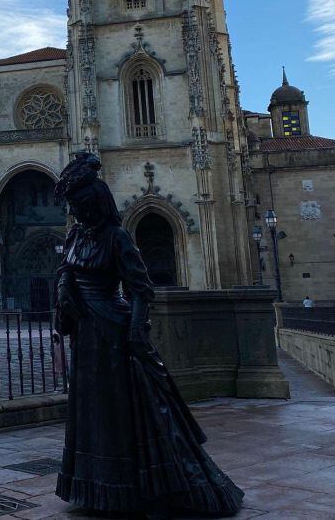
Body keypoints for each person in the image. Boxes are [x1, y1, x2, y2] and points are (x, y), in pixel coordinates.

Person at [54, 153, 243, 518]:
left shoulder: (116, 237)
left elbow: (141, 290)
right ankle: (98, 489)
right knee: (95, 411)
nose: (76, 212)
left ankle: (138, 489)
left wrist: (137, 333)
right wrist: (64, 288)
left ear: (95, 203)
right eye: (73, 206)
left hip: (114, 331)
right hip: (87, 334)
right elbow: (66, 267)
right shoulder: (77, 235)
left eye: (80, 205)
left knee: (128, 412)